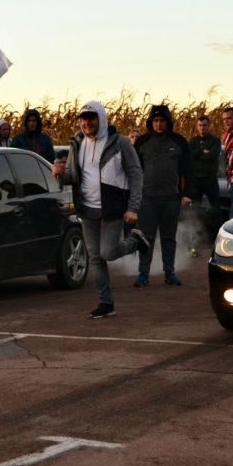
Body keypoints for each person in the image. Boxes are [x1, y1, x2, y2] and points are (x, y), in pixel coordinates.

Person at [52, 101, 147, 318]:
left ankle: (136, 241)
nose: (87, 123)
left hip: (113, 208)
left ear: (101, 118)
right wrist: (60, 173)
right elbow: (73, 177)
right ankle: (106, 304)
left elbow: (135, 174)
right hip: (87, 208)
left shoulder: (120, 142)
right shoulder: (77, 143)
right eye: (83, 119)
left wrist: (133, 207)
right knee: (95, 257)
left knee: (108, 252)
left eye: (91, 118)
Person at [133, 105, 196, 287]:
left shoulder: (178, 141)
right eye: (155, 121)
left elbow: (189, 170)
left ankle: (169, 273)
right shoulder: (142, 142)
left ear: (168, 122)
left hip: (171, 199)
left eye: (162, 121)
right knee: (146, 238)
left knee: (169, 238)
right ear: (151, 123)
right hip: (147, 198)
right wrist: (133, 197)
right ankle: (143, 274)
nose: (159, 124)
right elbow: (134, 172)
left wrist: (187, 194)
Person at [188, 115, 221, 239]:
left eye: (205, 125)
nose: (202, 128)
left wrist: (198, 153)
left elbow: (212, 156)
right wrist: (203, 151)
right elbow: (189, 156)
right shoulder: (193, 141)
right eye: (200, 125)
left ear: (209, 126)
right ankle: (195, 236)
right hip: (196, 179)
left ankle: (217, 235)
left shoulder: (215, 141)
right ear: (197, 127)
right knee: (195, 208)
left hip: (210, 178)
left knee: (215, 207)